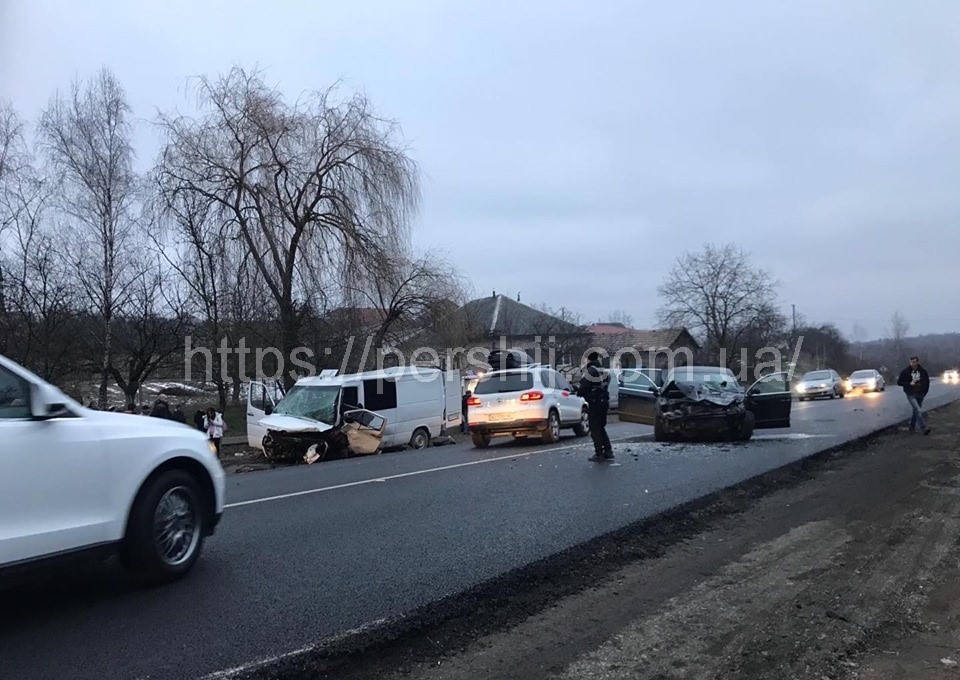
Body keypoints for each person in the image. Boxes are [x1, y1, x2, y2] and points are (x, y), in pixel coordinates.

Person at [577, 351, 613, 462]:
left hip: (595, 402)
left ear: (588, 359)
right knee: (601, 427)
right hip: (604, 401)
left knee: (595, 428)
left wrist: (578, 391)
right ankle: (608, 451)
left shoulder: (591, 371)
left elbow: (583, 388)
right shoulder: (604, 371)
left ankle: (599, 453)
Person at [897, 355, 931, 434]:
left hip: (920, 393)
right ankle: (924, 428)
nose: (912, 364)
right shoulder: (905, 372)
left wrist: (924, 392)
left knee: (915, 411)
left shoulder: (923, 371)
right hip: (910, 394)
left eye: (914, 362)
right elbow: (899, 382)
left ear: (917, 362)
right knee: (918, 410)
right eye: (911, 362)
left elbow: (927, 382)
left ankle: (911, 427)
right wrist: (909, 383)